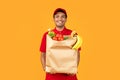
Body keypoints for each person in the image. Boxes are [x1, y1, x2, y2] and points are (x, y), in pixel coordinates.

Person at [40, 8, 81, 80]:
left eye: (63, 16)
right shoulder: (47, 35)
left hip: (69, 77)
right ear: (54, 19)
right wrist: (45, 68)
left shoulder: (73, 34)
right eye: (57, 16)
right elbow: (42, 54)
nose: (60, 19)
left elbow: (77, 54)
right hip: (52, 76)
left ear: (66, 19)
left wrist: (74, 68)